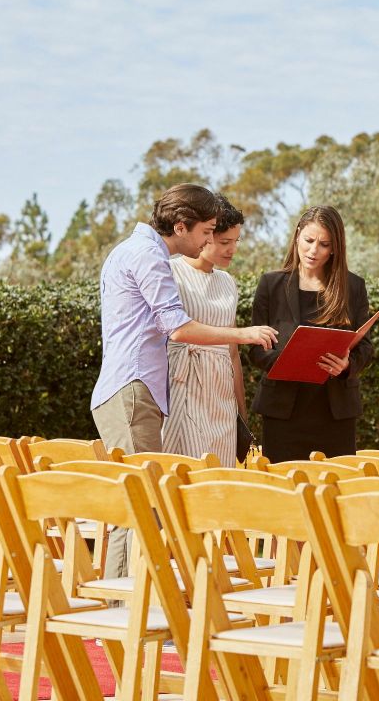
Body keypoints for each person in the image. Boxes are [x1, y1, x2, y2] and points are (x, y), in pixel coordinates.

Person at [92, 183, 276, 580]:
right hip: (132, 389)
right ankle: (124, 612)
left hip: (134, 390)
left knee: (139, 505)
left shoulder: (134, 249)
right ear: (180, 227)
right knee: (141, 506)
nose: (212, 240)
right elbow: (177, 328)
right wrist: (243, 334)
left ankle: (126, 608)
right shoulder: (148, 256)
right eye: (207, 231)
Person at [248, 205, 373, 462]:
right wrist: (290, 362)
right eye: (309, 240)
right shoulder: (270, 285)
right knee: (283, 491)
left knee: (334, 490)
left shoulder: (353, 286)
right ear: (297, 237)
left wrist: (347, 365)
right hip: (283, 411)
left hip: (335, 411)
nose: (314, 250)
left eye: (324, 244)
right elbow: (255, 349)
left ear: (335, 247)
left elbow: (365, 347)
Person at [163, 193, 248, 466]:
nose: (232, 250)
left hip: (221, 396)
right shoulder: (170, 272)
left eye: (236, 242)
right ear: (207, 235)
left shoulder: (228, 283)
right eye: (225, 242)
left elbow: (232, 352)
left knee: (223, 478)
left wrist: (241, 412)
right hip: (182, 386)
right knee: (189, 472)